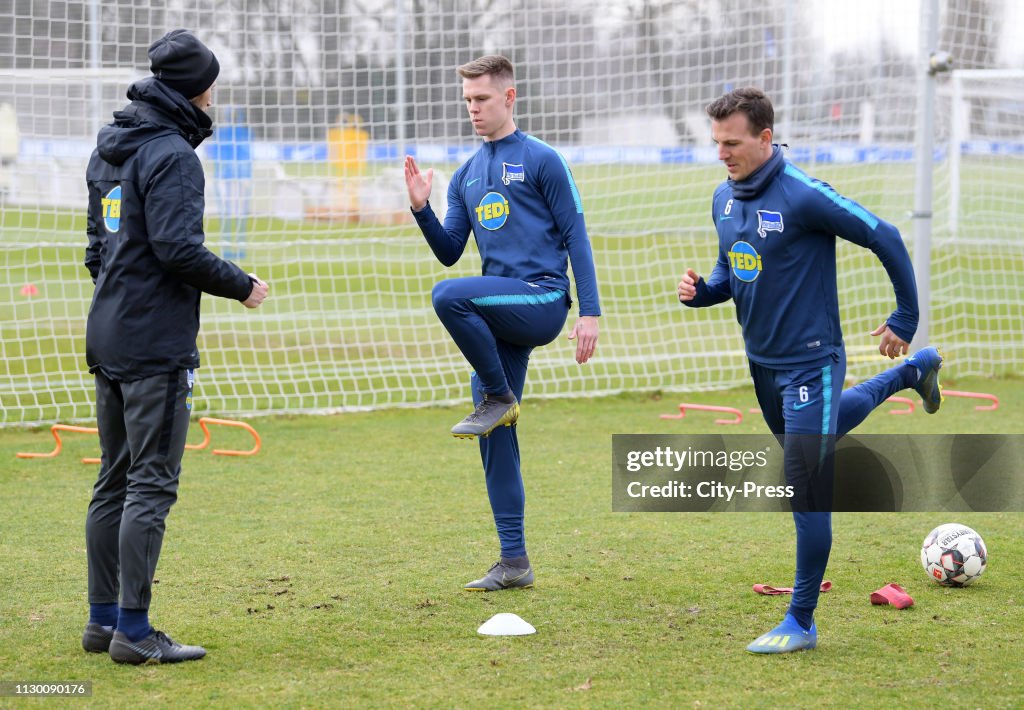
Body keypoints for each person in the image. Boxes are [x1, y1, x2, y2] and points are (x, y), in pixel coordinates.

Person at [677, 87, 942, 654]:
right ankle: (913, 373)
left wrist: (906, 316)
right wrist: (704, 293)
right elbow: (733, 271)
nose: (721, 152)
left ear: (765, 137)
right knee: (818, 437)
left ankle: (801, 620)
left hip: (812, 362)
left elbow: (885, 235)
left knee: (805, 486)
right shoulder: (723, 200)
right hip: (764, 366)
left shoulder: (803, 195)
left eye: (733, 142)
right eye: (716, 142)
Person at [82, 29, 269, 665]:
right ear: (198, 88)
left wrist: (121, 295)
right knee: (150, 485)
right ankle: (133, 632)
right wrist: (242, 285)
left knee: (114, 480)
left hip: (107, 332)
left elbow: (95, 250)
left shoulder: (108, 148)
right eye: (212, 82)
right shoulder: (172, 156)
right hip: (153, 345)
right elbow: (177, 249)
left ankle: (102, 620)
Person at [404, 55, 600, 592]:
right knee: (496, 438)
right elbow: (449, 251)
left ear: (508, 99)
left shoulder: (542, 160)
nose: (473, 109)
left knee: (449, 298)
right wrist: (422, 208)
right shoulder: (467, 174)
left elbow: (576, 237)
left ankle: (498, 394)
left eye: (482, 99)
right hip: (502, 314)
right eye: (467, 100)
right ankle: (514, 561)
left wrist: (590, 311)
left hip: (542, 300)